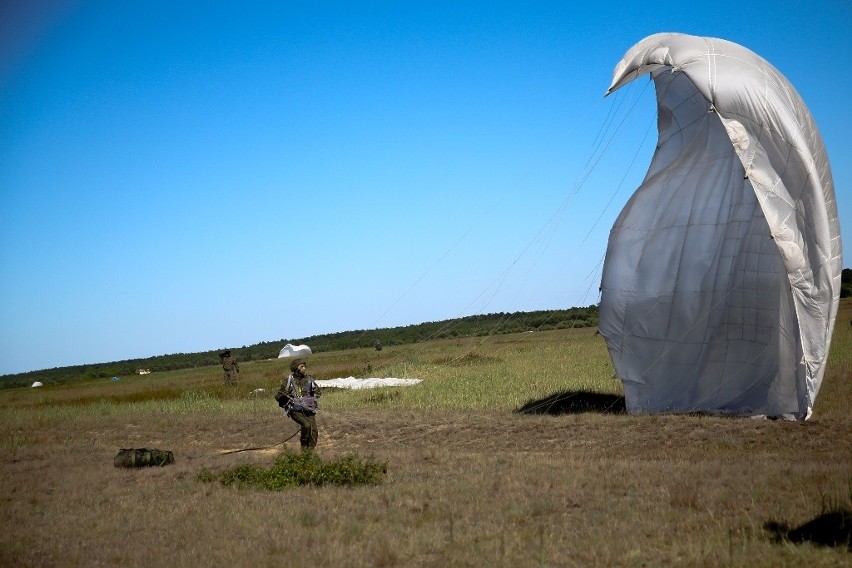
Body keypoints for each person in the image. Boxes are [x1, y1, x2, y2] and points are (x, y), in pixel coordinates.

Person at [275, 358, 321, 450]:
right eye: (302, 366)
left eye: (305, 366)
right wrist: (284, 397)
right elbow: (278, 396)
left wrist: (312, 396)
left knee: (314, 431)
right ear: (296, 369)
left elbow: (318, 392)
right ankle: (303, 448)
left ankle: (309, 453)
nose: (304, 368)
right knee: (306, 425)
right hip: (295, 410)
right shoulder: (289, 381)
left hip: (308, 409)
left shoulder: (309, 379)